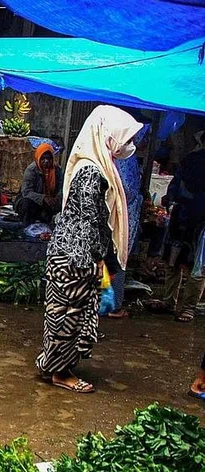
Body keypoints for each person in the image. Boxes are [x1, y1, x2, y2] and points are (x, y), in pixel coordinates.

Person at [37, 105, 141, 393]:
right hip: (76, 256)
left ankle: (54, 365)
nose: (127, 145)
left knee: (63, 312)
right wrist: (97, 259)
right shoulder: (91, 171)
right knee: (68, 314)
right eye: (123, 138)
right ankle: (61, 373)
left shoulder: (93, 165)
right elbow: (87, 221)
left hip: (72, 253)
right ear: (105, 134)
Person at [148, 132, 205, 323]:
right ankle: (173, 302)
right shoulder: (191, 160)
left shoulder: (191, 159)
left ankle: (187, 306)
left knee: (194, 266)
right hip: (183, 218)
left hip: (197, 222)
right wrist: (170, 199)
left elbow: (174, 187)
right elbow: (175, 185)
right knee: (182, 263)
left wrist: (171, 198)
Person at [107, 125, 149, 318]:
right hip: (122, 215)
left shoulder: (121, 155)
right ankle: (113, 305)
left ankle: (109, 303)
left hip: (122, 213)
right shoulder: (125, 158)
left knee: (115, 257)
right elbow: (127, 189)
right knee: (118, 258)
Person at [15, 144, 62, 226]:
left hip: (51, 201)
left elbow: (62, 187)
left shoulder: (57, 170)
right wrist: (43, 198)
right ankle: (25, 225)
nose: (46, 161)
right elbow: (26, 192)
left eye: (49, 158)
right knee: (26, 203)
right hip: (34, 201)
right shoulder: (32, 170)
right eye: (43, 158)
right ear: (38, 158)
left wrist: (57, 198)